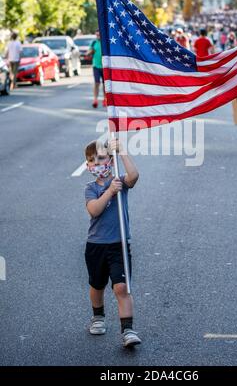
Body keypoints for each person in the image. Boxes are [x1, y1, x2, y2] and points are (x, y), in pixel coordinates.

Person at [84, 138, 141, 348]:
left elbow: (134, 176)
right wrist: (109, 192)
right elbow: (94, 210)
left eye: (101, 158)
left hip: (119, 244)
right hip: (96, 245)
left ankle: (128, 329)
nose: (97, 163)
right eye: (92, 161)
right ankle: (98, 316)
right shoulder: (90, 188)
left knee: (121, 287)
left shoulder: (120, 180)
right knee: (97, 285)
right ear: (87, 166)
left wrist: (122, 151)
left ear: (110, 160)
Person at [87, 30, 105, 108]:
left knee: (105, 84)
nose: (98, 36)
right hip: (96, 66)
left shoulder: (105, 43)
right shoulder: (93, 43)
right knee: (97, 83)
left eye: (99, 35)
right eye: (96, 35)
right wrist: (91, 51)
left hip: (105, 66)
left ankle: (105, 99)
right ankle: (95, 100)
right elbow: (87, 53)